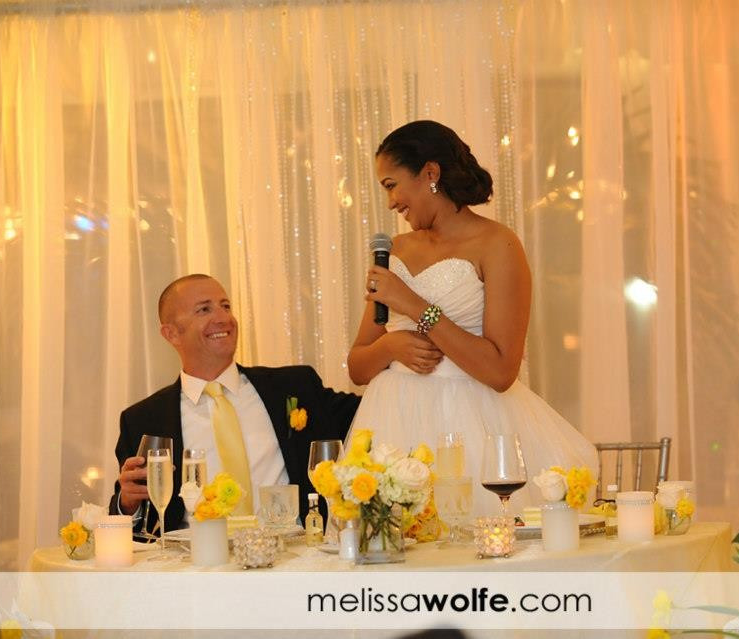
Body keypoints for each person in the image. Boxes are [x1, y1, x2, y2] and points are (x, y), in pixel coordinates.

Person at [348, 120, 597, 516]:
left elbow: (501, 371)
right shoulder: (394, 249)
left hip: (471, 429)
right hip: (393, 428)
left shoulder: (498, 244)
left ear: (430, 173)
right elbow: (357, 367)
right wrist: (390, 346)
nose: (391, 202)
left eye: (392, 185)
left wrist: (415, 307)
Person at [108, 274, 360, 533]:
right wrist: (128, 503)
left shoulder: (296, 386)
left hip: (295, 552)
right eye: (204, 309)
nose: (223, 318)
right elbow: (129, 516)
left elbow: (370, 413)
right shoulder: (143, 420)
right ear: (171, 334)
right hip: (199, 555)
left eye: (225, 306)